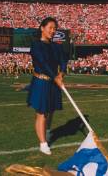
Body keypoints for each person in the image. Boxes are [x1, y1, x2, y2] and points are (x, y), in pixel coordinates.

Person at [27, 17, 67, 155]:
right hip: (41, 81)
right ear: (42, 28)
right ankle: (43, 143)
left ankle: (47, 131)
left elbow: (63, 61)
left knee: (51, 110)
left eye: (55, 28)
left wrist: (61, 73)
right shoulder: (36, 45)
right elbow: (43, 63)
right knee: (42, 112)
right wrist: (55, 77)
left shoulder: (57, 46)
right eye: (50, 27)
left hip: (53, 83)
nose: (53, 31)